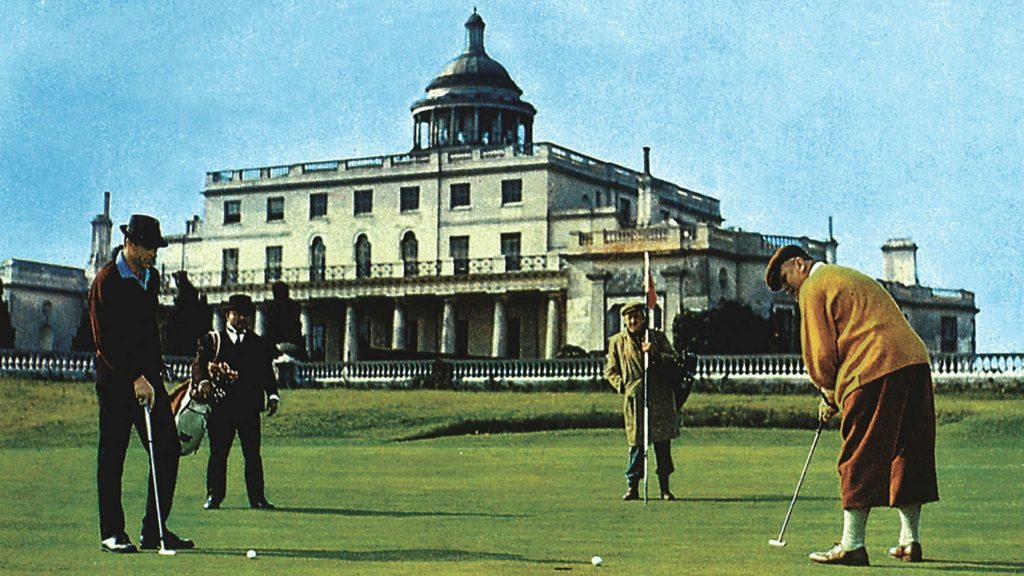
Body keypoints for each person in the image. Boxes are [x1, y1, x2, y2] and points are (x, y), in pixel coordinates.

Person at [765, 245, 937, 566]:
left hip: (874, 364)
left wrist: (827, 393)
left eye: (787, 280)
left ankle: (852, 545)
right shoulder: (846, 275)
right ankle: (910, 541)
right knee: (908, 451)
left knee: (859, 452)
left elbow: (819, 351)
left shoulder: (814, 286)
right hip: (915, 362)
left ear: (800, 264)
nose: (789, 291)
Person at [89, 214, 194, 553]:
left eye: (156, 249)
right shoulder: (106, 281)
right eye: (149, 248)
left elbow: (148, 332)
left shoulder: (150, 279)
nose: (153, 254)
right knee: (113, 454)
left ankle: (154, 529)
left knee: (167, 448)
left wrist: (153, 373)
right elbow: (106, 340)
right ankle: (111, 533)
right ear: (130, 244)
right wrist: (134, 377)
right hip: (116, 379)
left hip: (148, 381)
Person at [194, 294, 280, 510]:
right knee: (218, 453)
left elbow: (266, 373)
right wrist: (203, 380)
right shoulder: (213, 340)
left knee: (252, 454)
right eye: (237, 314)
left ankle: (257, 498)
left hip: (249, 408)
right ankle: (214, 495)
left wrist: (272, 395)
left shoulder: (258, 343)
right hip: (221, 407)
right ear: (227, 316)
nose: (242, 318)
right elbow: (198, 364)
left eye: (245, 315)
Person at [604, 301, 682, 501]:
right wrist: (623, 385)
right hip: (635, 399)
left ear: (643, 317)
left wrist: (654, 353)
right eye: (629, 317)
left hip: (659, 397)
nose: (632, 321)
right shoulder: (617, 342)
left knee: (662, 445)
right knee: (637, 445)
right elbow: (610, 370)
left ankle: (664, 487)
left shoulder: (656, 337)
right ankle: (633, 486)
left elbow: (673, 359)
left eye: (636, 316)